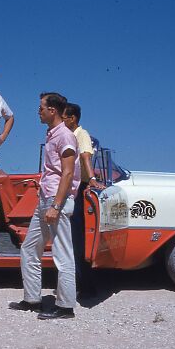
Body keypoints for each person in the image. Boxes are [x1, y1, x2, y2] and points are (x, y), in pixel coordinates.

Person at [9, 92, 80, 320]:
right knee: (29, 248)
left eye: (41, 108)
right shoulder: (51, 135)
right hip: (46, 198)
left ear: (52, 110)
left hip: (56, 201)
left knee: (62, 253)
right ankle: (32, 300)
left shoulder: (65, 137)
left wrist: (56, 206)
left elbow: (68, 173)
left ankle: (66, 307)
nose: (38, 111)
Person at [62, 103, 102, 295]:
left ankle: (87, 286)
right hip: (72, 187)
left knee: (78, 240)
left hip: (80, 188)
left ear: (73, 118)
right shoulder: (69, 135)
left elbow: (86, 156)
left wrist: (92, 178)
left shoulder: (81, 134)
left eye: (64, 117)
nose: (62, 120)